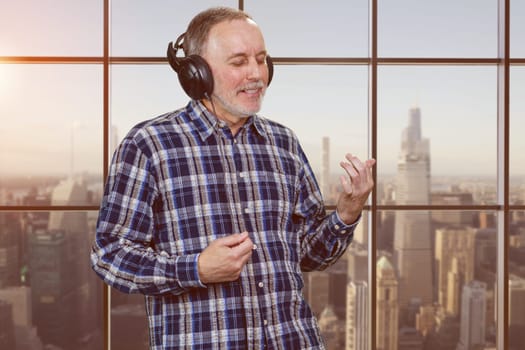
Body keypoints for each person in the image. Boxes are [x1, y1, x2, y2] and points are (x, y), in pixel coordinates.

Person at [91, 6, 375, 350]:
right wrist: (194, 268)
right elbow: (109, 256)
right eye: (239, 62)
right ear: (197, 73)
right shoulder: (149, 145)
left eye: (262, 59)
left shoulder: (283, 143)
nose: (257, 74)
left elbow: (309, 255)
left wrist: (347, 212)